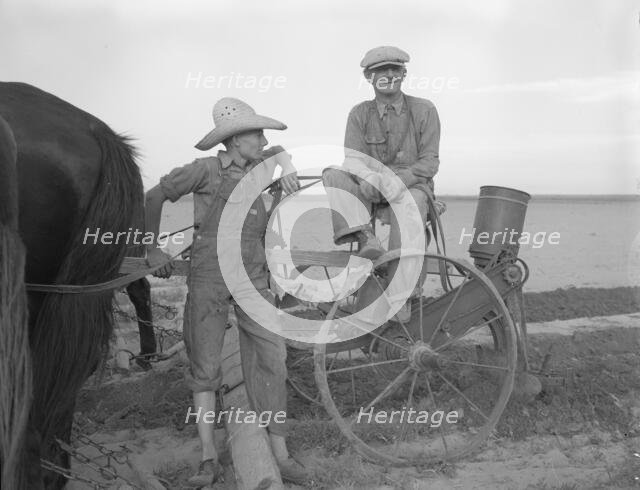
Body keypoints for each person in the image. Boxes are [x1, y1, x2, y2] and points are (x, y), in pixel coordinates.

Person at [145, 97, 307, 486]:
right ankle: (207, 458)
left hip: (253, 280)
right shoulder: (203, 170)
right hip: (208, 279)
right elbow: (153, 196)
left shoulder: (261, 169)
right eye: (256, 132)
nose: (262, 138)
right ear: (235, 140)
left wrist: (286, 168)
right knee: (206, 369)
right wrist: (151, 248)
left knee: (273, 359)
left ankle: (281, 456)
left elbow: (281, 149)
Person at [322, 46, 441, 322]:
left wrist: (396, 182)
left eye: (394, 69)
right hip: (372, 186)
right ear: (368, 77)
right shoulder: (359, 114)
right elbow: (352, 158)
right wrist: (370, 178)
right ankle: (366, 238)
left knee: (413, 200)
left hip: (410, 185)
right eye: (380, 70)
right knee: (333, 175)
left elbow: (429, 162)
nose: (388, 75)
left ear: (404, 73)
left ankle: (402, 293)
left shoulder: (425, 110)